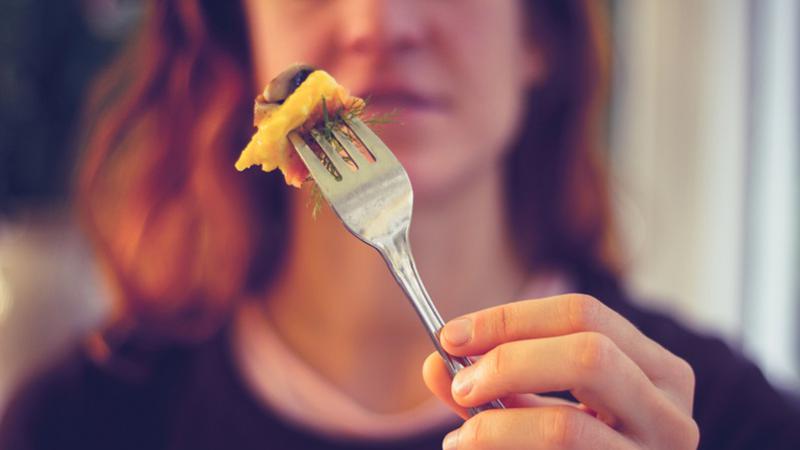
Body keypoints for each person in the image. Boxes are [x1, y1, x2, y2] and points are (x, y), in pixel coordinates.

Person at [1, 0, 798, 449]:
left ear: (540, 37)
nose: (379, 24)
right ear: (239, 31)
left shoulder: (718, 424)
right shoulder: (78, 425)